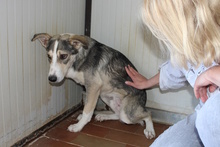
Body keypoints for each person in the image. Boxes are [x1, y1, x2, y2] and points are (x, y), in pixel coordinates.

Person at [125, 0, 220, 146]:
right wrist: (147, 83)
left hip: (212, 120)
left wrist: (216, 73)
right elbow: (177, 67)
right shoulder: (188, 47)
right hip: (202, 118)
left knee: (212, 116)